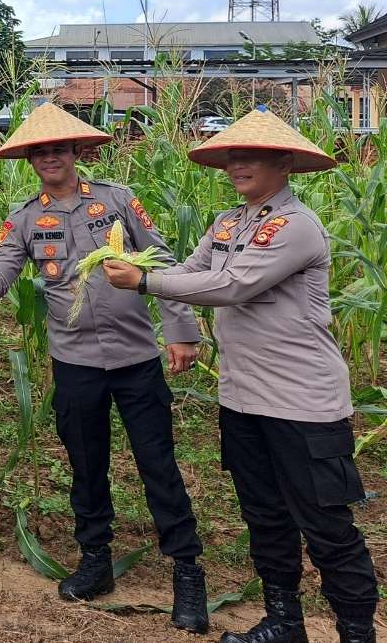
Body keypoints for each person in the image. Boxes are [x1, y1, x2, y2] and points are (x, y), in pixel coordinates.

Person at [103, 106, 379, 643]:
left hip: (303, 405)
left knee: (326, 526)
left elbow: (232, 285)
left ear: (284, 162)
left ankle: (356, 631)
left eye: (250, 156)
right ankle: (283, 621)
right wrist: (132, 264)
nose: (237, 165)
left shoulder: (296, 227)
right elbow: (189, 271)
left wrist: (143, 283)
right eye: (232, 156)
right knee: (265, 516)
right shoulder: (228, 222)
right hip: (245, 399)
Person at [0, 102, 209, 633]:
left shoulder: (119, 201)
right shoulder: (24, 219)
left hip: (137, 361)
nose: (50, 157)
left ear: (76, 151)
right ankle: (95, 559)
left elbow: (162, 261)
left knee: (158, 466)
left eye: (59, 148)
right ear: (30, 159)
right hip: (75, 364)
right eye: (40, 151)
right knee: (86, 465)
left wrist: (182, 331)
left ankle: (187, 571)